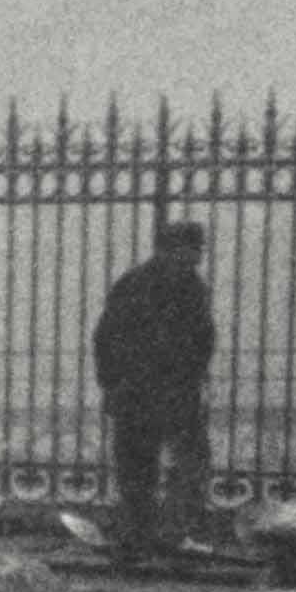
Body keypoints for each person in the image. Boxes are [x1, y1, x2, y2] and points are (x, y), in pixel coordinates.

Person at [92, 223, 216, 557]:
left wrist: (112, 384)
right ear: (170, 250)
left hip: (146, 391)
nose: (198, 256)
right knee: (176, 463)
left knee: (144, 465)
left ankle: (145, 535)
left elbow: (105, 338)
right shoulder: (183, 287)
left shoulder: (136, 283)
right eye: (193, 249)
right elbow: (107, 339)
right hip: (161, 390)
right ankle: (163, 534)